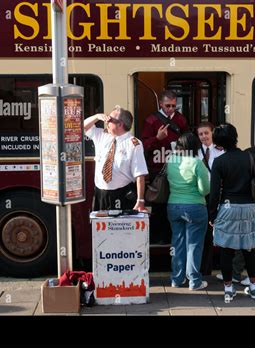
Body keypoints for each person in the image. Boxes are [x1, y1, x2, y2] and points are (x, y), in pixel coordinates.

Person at [209, 123, 255, 301]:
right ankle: (254, 287)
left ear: (219, 144)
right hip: (249, 207)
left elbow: (214, 192)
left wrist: (212, 215)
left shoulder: (219, 162)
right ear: (235, 138)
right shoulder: (250, 158)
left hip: (227, 208)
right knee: (249, 249)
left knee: (227, 251)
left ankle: (228, 289)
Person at [141, 90, 189, 244]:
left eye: (173, 106)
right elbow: (143, 145)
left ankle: (172, 237)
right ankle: (159, 238)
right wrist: (157, 138)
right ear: (161, 104)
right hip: (158, 170)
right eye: (167, 105)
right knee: (159, 204)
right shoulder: (151, 121)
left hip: (178, 168)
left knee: (175, 204)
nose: (170, 109)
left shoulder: (181, 120)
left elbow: (188, 141)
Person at [167, 132, 210, 290]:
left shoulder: (171, 161)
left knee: (177, 243)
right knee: (194, 244)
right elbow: (204, 190)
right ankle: (194, 281)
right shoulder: (197, 163)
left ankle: (176, 280)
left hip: (173, 206)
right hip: (194, 207)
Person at [84, 107, 148, 212]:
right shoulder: (102, 135)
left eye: (109, 120)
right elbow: (82, 127)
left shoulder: (133, 143)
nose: (106, 122)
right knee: (98, 227)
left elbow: (139, 174)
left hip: (122, 194)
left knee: (119, 226)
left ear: (120, 124)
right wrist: (97, 117)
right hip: (100, 194)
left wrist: (140, 200)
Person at [196, 121, 224, 275]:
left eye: (206, 133)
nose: (204, 136)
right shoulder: (196, 151)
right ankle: (203, 268)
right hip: (201, 195)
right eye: (200, 134)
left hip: (216, 195)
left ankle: (215, 266)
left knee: (215, 231)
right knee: (204, 232)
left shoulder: (220, 150)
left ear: (212, 133)